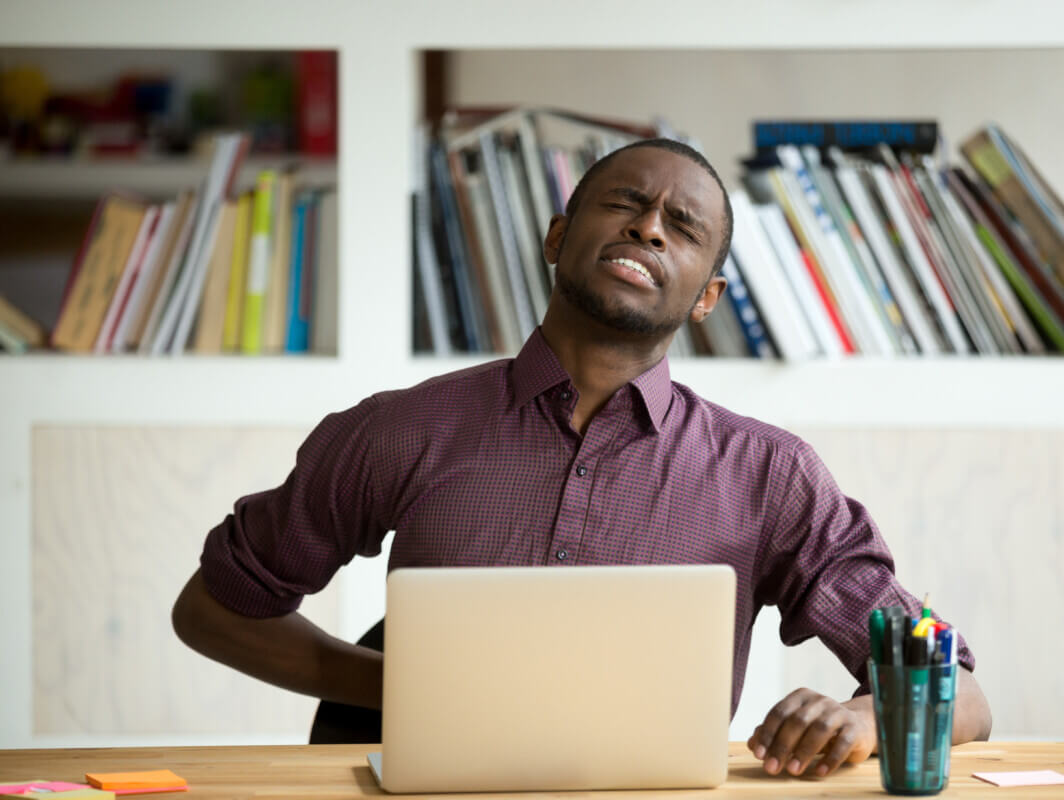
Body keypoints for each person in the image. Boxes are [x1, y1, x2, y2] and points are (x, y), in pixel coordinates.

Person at [173, 137, 991, 779]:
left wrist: (861, 717)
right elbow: (211, 607)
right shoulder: (399, 431)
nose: (649, 227)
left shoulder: (769, 474)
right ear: (559, 237)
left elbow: (959, 691)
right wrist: (397, 687)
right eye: (628, 204)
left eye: (684, 227)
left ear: (706, 295)